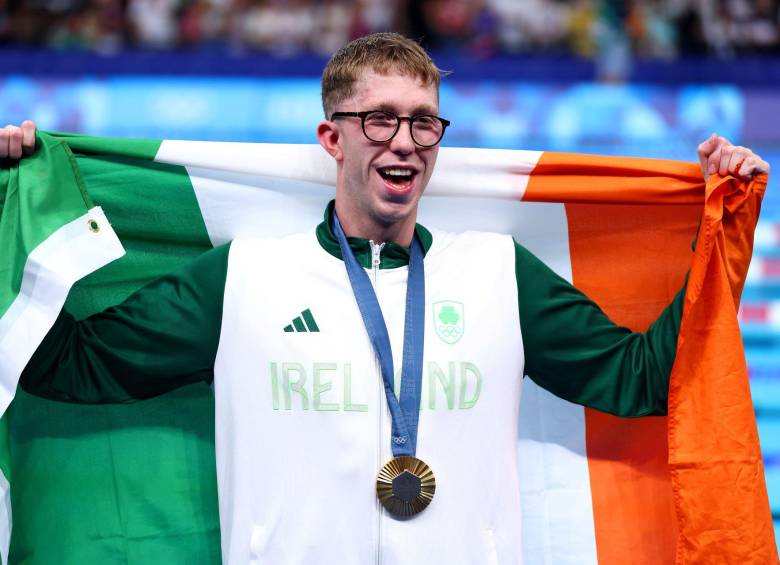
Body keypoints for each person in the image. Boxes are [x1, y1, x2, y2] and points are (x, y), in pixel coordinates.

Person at [2, 32, 770, 564]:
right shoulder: (243, 277)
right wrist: (9, 210)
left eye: (424, 122)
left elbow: (644, 377)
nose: (404, 141)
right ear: (332, 138)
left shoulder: (500, 273)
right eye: (379, 119)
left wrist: (722, 233)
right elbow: (70, 365)